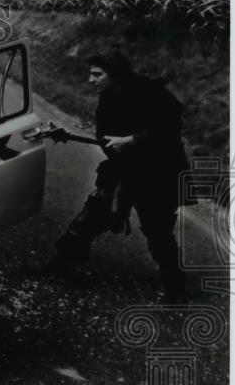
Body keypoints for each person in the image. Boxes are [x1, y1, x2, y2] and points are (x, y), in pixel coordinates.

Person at [47, 52, 190, 301]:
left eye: (97, 74)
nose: (90, 80)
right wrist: (69, 135)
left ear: (115, 75)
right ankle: (62, 262)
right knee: (93, 213)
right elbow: (107, 137)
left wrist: (133, 140)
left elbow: (170, 129)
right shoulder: (108, 97)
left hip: (159, 171)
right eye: (90, 74)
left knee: (157, 228)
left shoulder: (150, 92)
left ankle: (176, 287)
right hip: (125, 167)